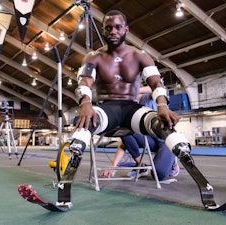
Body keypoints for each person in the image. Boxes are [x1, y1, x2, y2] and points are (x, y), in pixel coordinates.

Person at [56, 10, 191, 208]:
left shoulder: (140, 55)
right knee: (85, 123)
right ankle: (65, 189)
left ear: (126, 30)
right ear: (103, 31)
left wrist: (162, 106)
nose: (113, 31)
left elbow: (156, 82)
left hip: (132, 110)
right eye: (109, 28)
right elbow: (84, 82)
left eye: (118, 27)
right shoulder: (93, 57)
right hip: (107, 109)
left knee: (161, 122)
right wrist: (85, 104)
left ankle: (183, 158)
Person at [101, 87, 179, 181]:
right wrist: (113, 165)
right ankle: (141, 165)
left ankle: (172, 161)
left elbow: (159, 88)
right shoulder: (131, 108)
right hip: (150, 140)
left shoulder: (149, 96)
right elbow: (125, 142)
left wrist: (131, 89)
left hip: (165, 141)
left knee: (159, 175)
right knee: (124, 130)